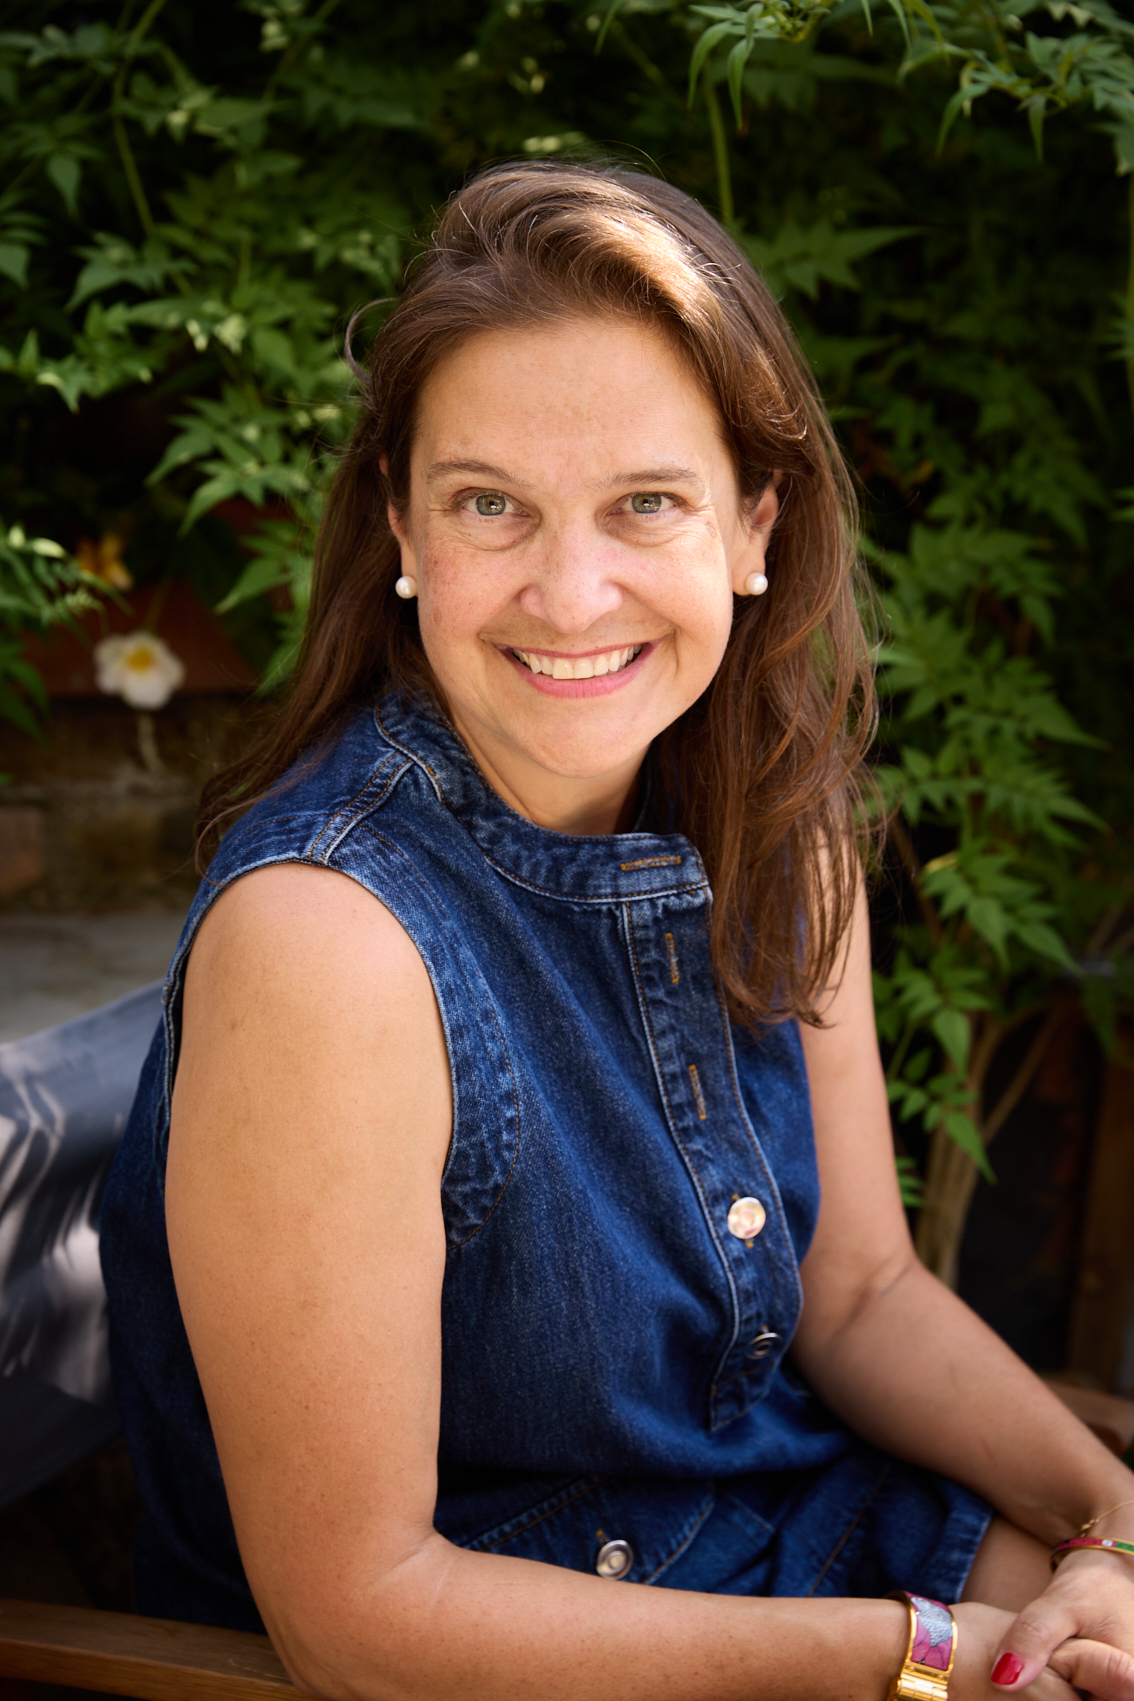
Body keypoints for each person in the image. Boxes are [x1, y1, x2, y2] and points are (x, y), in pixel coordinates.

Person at [100, 162, 1134, 1701]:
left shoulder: (781, 814)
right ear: (400, 525)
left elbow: (856, 1293)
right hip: (508, 1645)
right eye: (488, 505)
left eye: (643, 501)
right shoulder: (327, 941)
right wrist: (923, 1652)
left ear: (752, 522)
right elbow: (355, 1612)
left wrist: (1101, 1521)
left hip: (788, 1529)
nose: (569, 593)